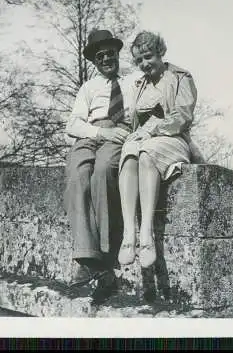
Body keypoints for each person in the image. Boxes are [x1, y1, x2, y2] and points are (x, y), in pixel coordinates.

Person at [117, 30, 204, 268]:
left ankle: (146, 236)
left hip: (173, 139)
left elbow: (183, 115)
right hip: (143, 138)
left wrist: (151, 131)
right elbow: (132, 121)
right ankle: (128, 236)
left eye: (148, 57)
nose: (144, 64)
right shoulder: (139, 85)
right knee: (129, 154)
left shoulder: (180, 77)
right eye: (139, 60)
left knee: (147, 154)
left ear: (160, 52)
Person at [64, 29, 133, 303]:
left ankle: (103, 254)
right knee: (78, 175)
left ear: (118, 53)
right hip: (91, 134)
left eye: (110, 53)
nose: (106, 58)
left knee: (104, 170)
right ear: (94, 60)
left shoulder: (132, 83)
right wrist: (99, 133)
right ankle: (88, 258)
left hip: (119, 132)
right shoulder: (88, 88)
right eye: (100, 55)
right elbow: (73, 125)